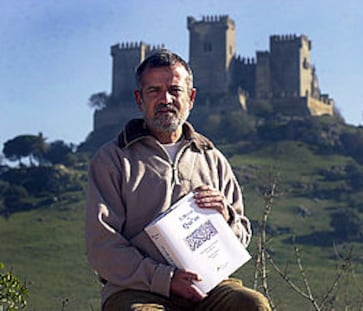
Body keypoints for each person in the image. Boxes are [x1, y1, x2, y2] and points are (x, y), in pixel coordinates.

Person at [86, 49, 271, 311]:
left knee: (253, 305)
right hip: (138, 290)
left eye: (175, 90)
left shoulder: (213, 159)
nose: (166, 99)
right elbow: (102, 246)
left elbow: (241, 235)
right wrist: (166, 280)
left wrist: (226, 218)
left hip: (210, 288)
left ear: (191, 97)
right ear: (139, 100)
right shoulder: (112, 160)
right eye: (154, 91)